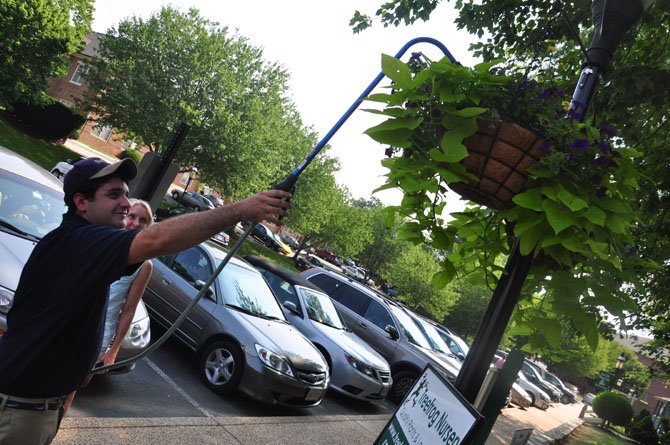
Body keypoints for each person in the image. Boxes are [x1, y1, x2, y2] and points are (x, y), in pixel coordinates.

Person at [0, 157, 291, 444]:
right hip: (21, 411)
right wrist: (242, 210)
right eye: (114, 194)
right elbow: (155, 241)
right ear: (81, 202)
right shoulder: (81, 242)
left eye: (126, 194)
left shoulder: (78, 244)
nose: (126, 204)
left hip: (35, 406)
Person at [61, 199, 154, 414]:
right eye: (132, 216)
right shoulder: (102, 241)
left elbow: (129, 310)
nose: (136, 223)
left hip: (99, 334)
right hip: (71, 321)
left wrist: (113, 350)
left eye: (143, 220)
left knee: (72, 387)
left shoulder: (144, 265)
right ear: (124, 216)